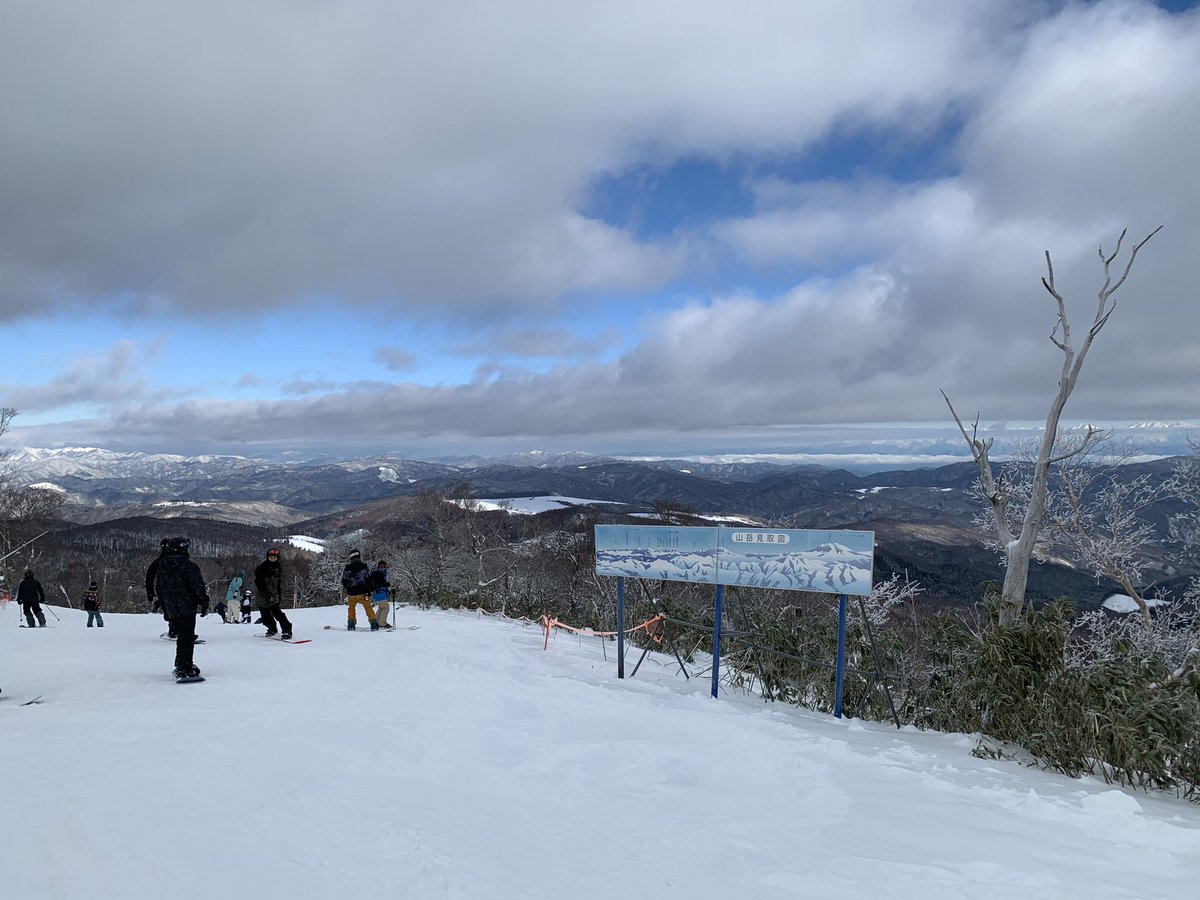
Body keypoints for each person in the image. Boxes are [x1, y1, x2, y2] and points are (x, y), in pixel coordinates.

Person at [153, 536, 209, 682]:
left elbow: (159, 588)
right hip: (186, 606)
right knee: (187, 637)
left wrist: (165, 606)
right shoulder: (188, 566)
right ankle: (185, 667)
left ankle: (181, 663)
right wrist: (203, 602)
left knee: (183, 637)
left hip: (172, 607)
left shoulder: (162, 566)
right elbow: (198, 586)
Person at [253, 547, 292, 639]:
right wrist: (265, 592)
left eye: (275, 558)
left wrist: (278, 595)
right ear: (267, 557)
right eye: (271, 557)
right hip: (262, 596)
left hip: (274, 595)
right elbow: (258, 582)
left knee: (278, 614)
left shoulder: (278, 568)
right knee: (265, 616)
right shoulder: (262, 568)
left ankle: (287, 630)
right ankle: (272, 629)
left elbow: (278, 584)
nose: (273, 559)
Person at [341, 549, 378, 631]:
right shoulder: (364, 566)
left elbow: (344, 580)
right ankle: (374, 623)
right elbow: (369, 579)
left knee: (351, 609)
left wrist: (349, 587)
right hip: (364, 593)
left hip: (351, 594)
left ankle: (351, 624)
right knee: (368, 608)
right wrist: (370, 590)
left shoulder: (347, 567)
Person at [146, 539, 175, 639]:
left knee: (169, 610)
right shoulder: (179, 560)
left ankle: (173, 628)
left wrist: (150, 592)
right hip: (176, 590)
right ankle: (176, 629)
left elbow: (149, 577)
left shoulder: (158, 562)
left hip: (163, 590)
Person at [369, 560, 393, 630]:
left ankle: (376, 622)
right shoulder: (378, 572)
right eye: (381, 565)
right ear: (378, 565)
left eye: (383, 565)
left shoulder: (381, 572)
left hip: (379, 592)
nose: (382, 566)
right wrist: (387, 584)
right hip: (379, 592)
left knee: (381, 608)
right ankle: (382, 623)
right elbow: (380, 583)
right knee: (386, 608)